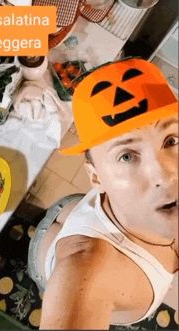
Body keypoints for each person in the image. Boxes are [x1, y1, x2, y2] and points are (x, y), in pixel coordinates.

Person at [28, 58, 178, 329]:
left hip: (75, 207)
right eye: (127, 156)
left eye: (171, 140)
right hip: (48, 249)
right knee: (41, 282)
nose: (165, 175)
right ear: (96, 177)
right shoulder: (85, 270)